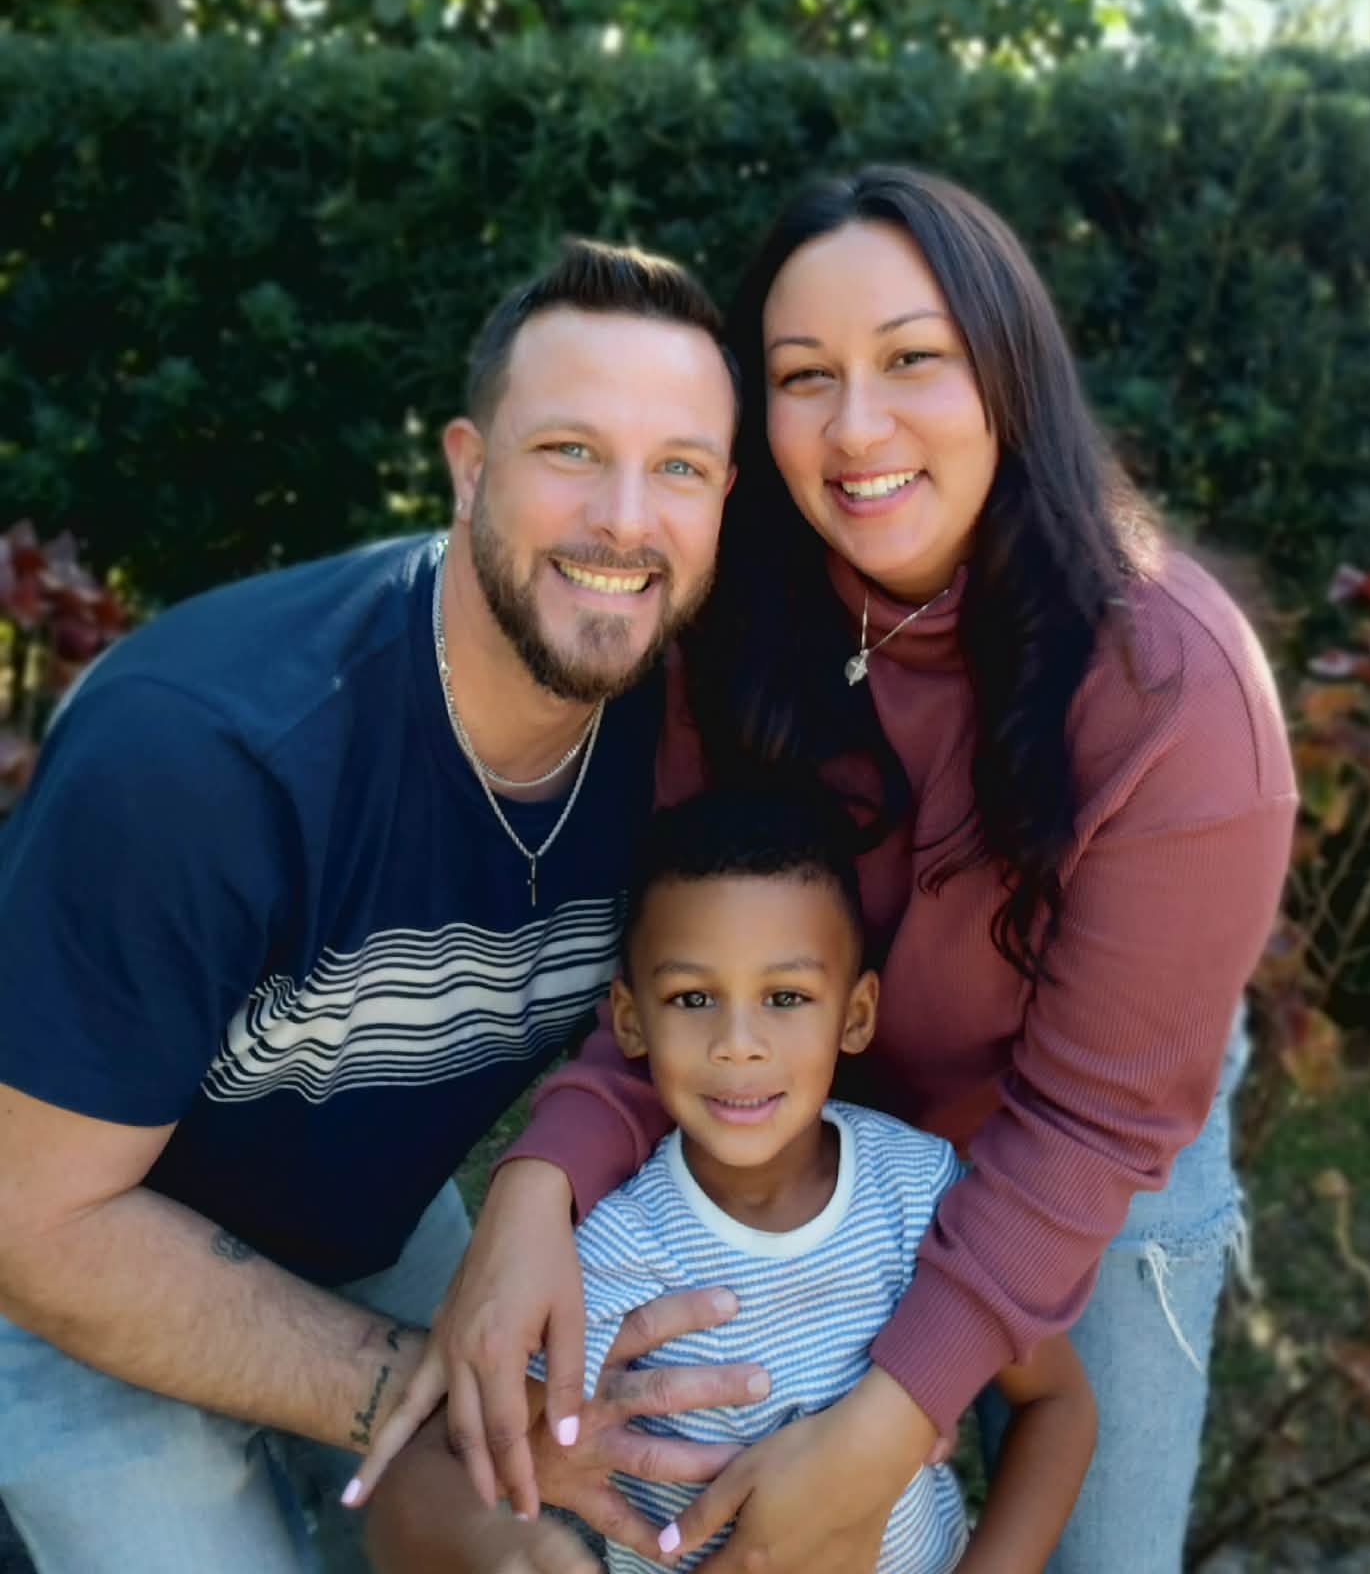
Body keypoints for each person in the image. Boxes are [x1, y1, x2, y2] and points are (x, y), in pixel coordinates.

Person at [359, 167, 1298, 1574]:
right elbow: (685, 960)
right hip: (804, 1098)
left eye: (913, 359)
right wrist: (536, 1187)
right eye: (805, 376)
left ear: (1010, 372)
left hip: (1087, 1139)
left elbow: (1093, 1124)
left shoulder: (1176, 687)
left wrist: (885, 1432)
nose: (857, 428)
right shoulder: (735, 613)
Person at [0, 240, 766, 1574]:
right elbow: (31, 1219)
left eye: (681, 468)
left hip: (366, 1226)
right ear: (470, 467)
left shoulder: (685, 729)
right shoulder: (200, 761)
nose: (626, 518)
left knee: (564, 1549)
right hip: (69, 1258)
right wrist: (430, 1392)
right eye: (571, 450)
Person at [365, 782, 1096, 1574]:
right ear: (631, 1019)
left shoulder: (919, 1192)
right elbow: (459, 1460)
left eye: (785, 996)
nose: (738, 1042)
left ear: (856, 1015)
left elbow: (1057, 1404)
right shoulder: (607, 1260)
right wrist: (509, 1546)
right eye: (693, 998)